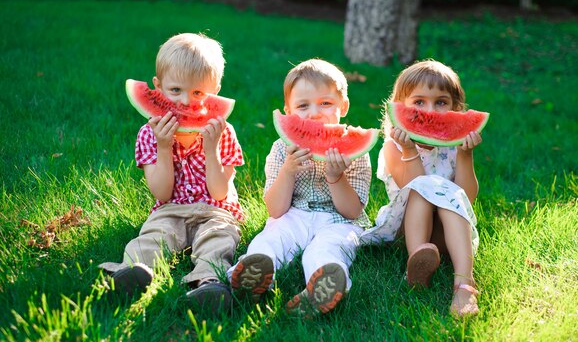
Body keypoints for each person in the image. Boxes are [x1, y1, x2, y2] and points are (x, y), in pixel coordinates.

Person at [99, 33, 244, 313]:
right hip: (169, 209)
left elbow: (219, 192)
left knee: (219, 238)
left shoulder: (222, 132)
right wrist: (164, 147)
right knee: (152, 236)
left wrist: (211, 148)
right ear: (157, 87)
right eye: (175, 90)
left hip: (216, 210)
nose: (185, 102)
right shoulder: (149, 134)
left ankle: (208, 283)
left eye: (198, 93)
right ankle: (130, 273)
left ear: (215, 91)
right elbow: (162, 192)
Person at [228, 59, 372, 317]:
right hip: (293, 215)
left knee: (327, 249)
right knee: (271, 239)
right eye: (303, 106)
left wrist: (336, 177)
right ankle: (253, 273)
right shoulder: (281, 150)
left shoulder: (356, 153)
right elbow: (275, 208)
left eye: (325, 103)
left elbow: (352, 211)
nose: (314, 113)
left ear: (344, 106)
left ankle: (324, 286)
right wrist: (288, 172)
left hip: (339, 222)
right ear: (288, 111)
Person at [360, 59, 481, 317]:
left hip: (447, 234)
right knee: (425, 189)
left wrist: (465, 155)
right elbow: (413, 186)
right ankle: (416, 261)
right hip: (407, 230)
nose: (430, 110)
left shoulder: (453, 147)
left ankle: (464, 283)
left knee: (450, 196)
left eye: (441, 102)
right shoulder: (393, 149)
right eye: (419, 102)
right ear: (399, 108)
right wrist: (409, 150)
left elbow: (467, 197)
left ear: (455, 109)